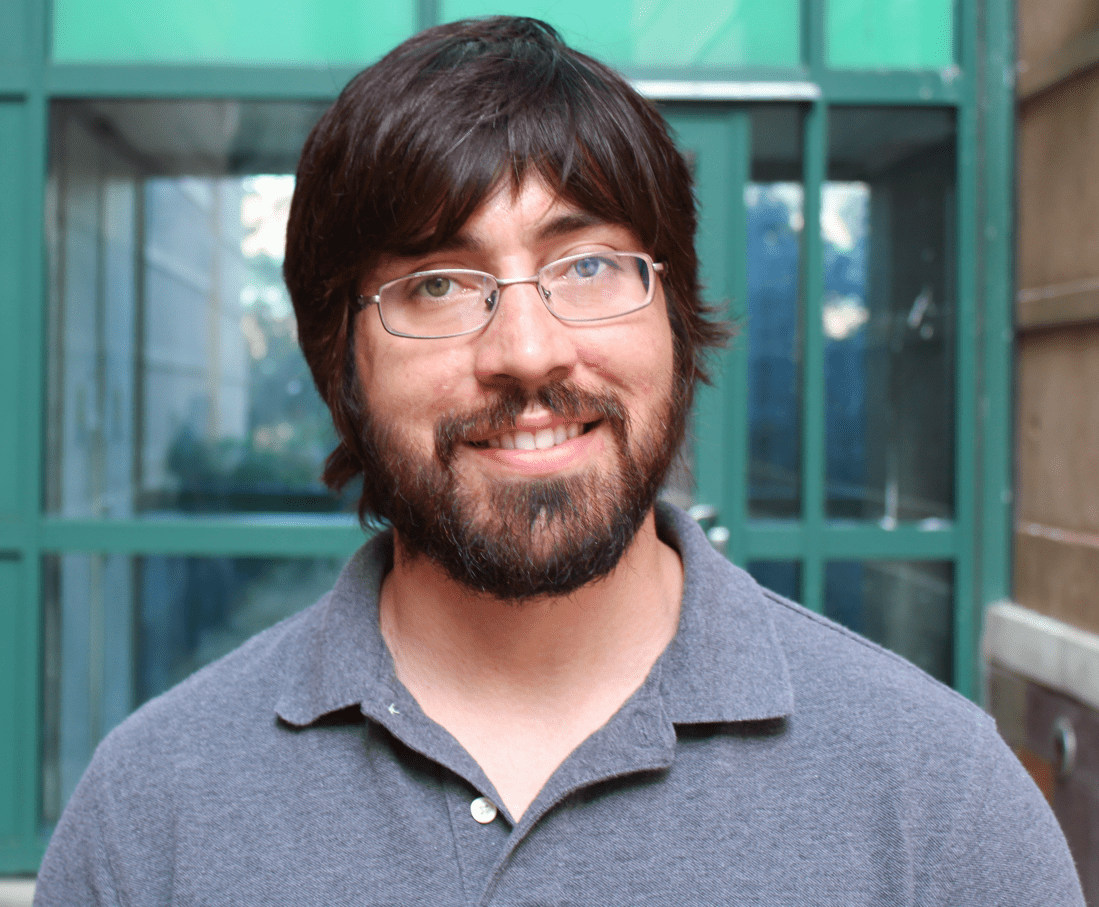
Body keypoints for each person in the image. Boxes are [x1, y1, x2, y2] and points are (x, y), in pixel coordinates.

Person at [36, 16, 1083, 906]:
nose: (528, 351)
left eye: (586, 265)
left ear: (674, 316)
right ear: (337, 358)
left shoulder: (939, 805)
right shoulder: (150, 816)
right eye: (438, 284)